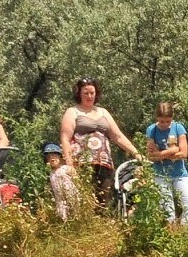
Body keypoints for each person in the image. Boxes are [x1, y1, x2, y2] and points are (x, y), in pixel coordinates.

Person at [60, 77, 140, 209]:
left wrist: (136, 153)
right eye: (86, 93)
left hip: (104, 164)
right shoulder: (72, 111)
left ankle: (103, 221)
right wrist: (69, 164)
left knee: (104, 200)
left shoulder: (103, 112)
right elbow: (65, 138)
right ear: (79, 94)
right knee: (84, 200)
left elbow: (118, 136)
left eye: (92, 93)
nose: (89, 96)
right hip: (82, 164)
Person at [145, 101, 188, 227]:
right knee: (167, 211)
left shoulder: (178, 128)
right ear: (157, 118)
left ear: (172, 118)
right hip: (160, 175)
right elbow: (151, 156)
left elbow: (183, 154)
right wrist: (173, 151)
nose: (164, 124)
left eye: (168, 121)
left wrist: (160, 154)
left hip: (180, 174)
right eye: (161, 121)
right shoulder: (151, 130)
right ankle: (169, 234)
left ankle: (186, 232)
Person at [42, 142, 81, 222]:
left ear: (60, 157)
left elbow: (77, 180)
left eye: (54, 156)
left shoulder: (66, 168)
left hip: (72, 196)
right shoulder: (51, 174)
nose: (52, 159)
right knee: (63, 218)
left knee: (76, 215)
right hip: (60, 201)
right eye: (49, 157)